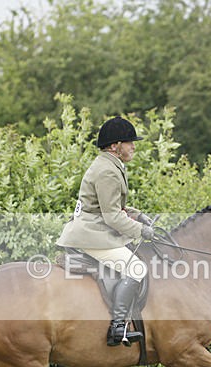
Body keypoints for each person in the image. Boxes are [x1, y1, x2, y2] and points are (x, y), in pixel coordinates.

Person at [57, 116, 155, 346]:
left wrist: (137, 213)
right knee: (136, 268)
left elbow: (109, 206)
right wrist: (141, 230)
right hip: (91, 234)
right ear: (114, 146)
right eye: (129, 142)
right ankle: (117, 327)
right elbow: (111, 216)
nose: (133, 146)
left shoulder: (109, 165)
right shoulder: (108, 171)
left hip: (94, 228)